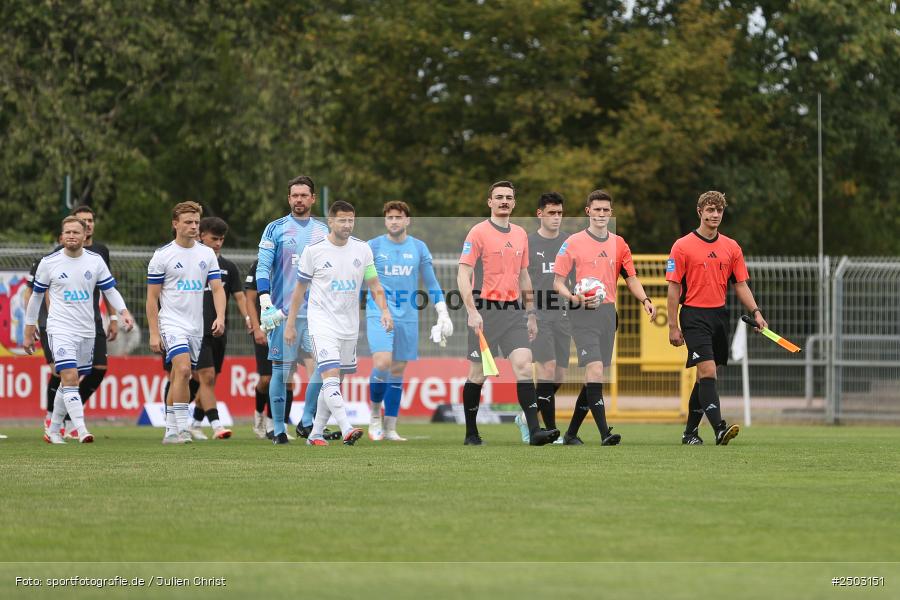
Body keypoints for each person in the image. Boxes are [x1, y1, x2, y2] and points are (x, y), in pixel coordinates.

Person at [456, 180, 559, 446]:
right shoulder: (477, 232)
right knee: (478, 374)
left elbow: (524, 276)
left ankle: (535, 431)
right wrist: (471, 310)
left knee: (525, 365)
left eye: (508, 197)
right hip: (485, 311)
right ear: (489, 202)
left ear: (514, 203)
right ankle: (471, 433)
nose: (504, 201)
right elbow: (463, 274)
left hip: (513, 312)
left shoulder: (520, 234)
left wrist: (531, 314)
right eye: (499, 197)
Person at [285, 200, 393, 446]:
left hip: (349, 326)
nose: (347, 225)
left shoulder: (362, 249)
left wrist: (384, 310)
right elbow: (299, 291)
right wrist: (291, 323)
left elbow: (374, 284)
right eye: (342, 220)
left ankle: (315, 434)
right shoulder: (314, 251)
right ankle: (346, 428)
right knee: (331, 377)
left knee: (333, 382)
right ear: (330, 222)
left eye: (351, 220)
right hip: (322, 324)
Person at [553, 189, 656, 445]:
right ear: (588, 211)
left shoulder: (619, 244)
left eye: (605, 210)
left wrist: (645, 300)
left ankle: (571, 434)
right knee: (595, 370)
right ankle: (605, 433)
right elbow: (558, 283)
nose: (601, 214)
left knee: (593, 379)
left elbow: (631, 278)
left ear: (611, 213)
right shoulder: (573, 242)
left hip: (608, 313)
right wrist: (574, 298)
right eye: (596, 209)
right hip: (581, 312)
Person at [666, 191, 766, 445]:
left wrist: (756, 312)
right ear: (699, 212)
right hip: (693, 315)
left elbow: (740, 285)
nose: (715, 215)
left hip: (719, 316)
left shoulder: (731, 247)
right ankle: (720, 428)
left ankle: (689, 433)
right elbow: (674, 289)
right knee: (708, 371)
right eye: (710, 210)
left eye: (719, 210)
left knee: (704, 378)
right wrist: (672, 326)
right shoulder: (682, 246)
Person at [23, 216, 135, 443]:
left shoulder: (95, 261)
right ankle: (81, 429)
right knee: (70, 376)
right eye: (67, 232)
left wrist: (122, 312)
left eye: (76, 232)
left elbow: (110, 290)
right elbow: (35, 297)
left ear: (85, 236)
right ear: (62, 236)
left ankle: (53, 429)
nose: (71, 236)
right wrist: (29, 328)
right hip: (59, 328)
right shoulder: (49, 262)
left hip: (87, 331)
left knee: (70, 382)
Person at [365, 200, 452, 441]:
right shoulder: (373, 246)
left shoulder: (418, 248)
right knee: (382, 362)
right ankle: (374, 416)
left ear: (407, 220)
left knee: (398, 369)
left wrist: (442, 311)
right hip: (379, 311)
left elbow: (431, 283)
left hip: (408, 316)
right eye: (390, 217)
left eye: (398, 217)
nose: (394, 221)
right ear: (385, 221)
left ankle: (391, 427)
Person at [254, 176, 328, 445]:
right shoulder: (275, 229)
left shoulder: (324, 232)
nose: (299, 200)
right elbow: (262, 268)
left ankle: (307, 421)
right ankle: (278, 429)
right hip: (284, 315)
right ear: (289, 199)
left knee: (324, 367)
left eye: (304, 195)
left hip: (317, 316)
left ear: (312, 199)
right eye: (294, 195)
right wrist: (264, 302)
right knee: (282, 372)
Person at [147, 201, 226, 445]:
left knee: (180, 376)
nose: (193, 226)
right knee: (182, 370)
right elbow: (151, 297)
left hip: (196, 326)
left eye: (196, 222)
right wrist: (153, 333)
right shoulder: (162, 256)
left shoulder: (206, 254)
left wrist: (221, 316)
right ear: (175, 224)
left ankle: (170, 430)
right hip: (171, 323)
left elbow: (217, 289)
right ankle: (181, 429)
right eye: (188, 222)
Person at [183, 217, 252, 440]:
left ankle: (193, 422)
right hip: (195, 330)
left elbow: (240, 298)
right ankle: (216, 425)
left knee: (207, 380)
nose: (218, 243)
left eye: (221, 239)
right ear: (201, 235)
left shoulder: (228, 267)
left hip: (219, 331)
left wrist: (249, 318)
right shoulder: (188, 262)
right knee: (207, 376)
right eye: (214, 238)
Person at [515, 192, 572, 444]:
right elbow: (521, 279)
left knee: (559, 376)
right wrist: (529, 314)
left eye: (560, 213)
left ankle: (526, 415)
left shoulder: (569, 243)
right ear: (540, 214)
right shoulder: (528, 243)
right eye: (551, 213)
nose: (556, 218)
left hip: (563, 315)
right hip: (538, 314)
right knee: (546, 369)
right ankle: (549, 430)